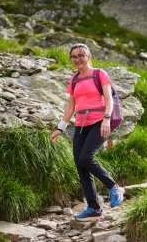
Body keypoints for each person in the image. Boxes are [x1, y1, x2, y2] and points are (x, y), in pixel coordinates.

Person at [50, 43, 124, 219]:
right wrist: (60, 128)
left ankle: (114, 187)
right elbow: (71, 108)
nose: (77, 59)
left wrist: (106, 119)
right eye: (74, 56)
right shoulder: (74, 80)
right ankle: (94, 207)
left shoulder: (99, 74)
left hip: (99, 121)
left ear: (88, 56)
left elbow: (109, 99)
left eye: (81, 55)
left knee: (86, 158)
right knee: (80, 164)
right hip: (81, 124)